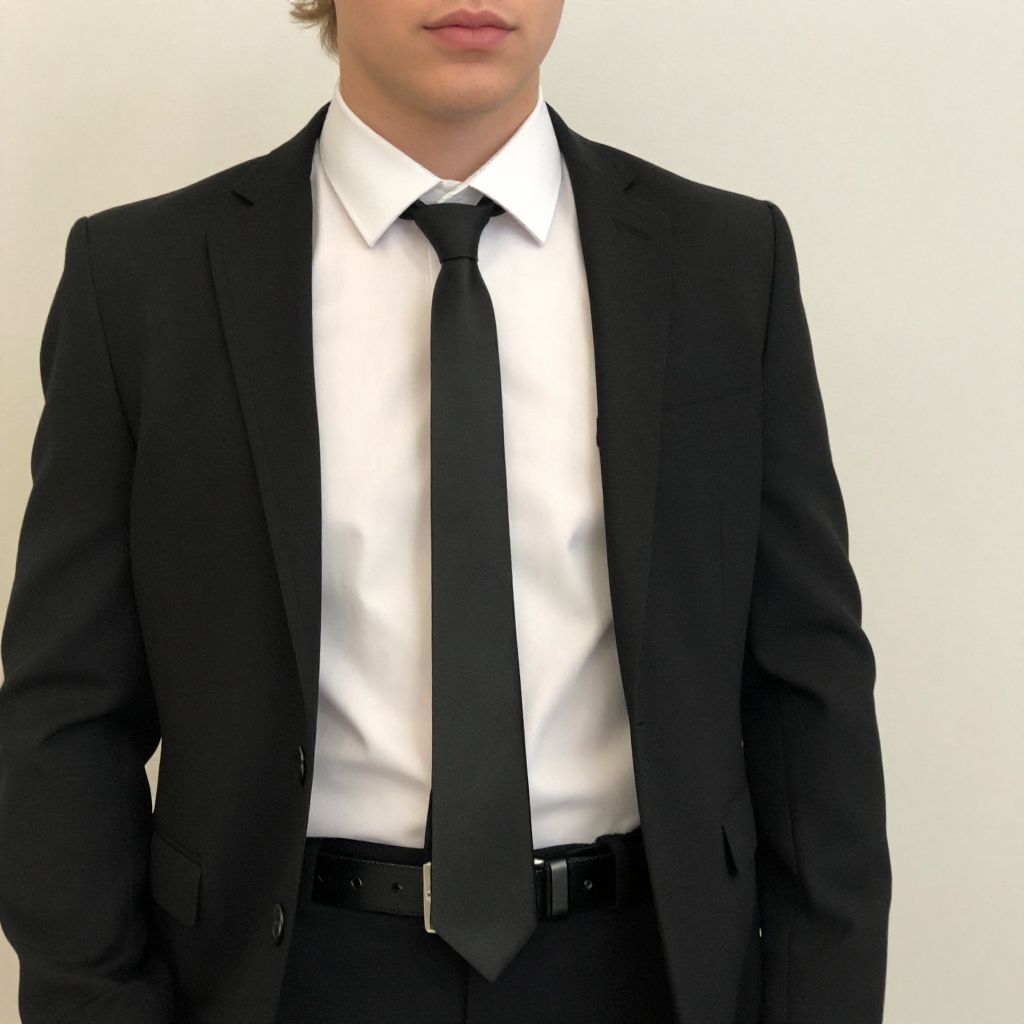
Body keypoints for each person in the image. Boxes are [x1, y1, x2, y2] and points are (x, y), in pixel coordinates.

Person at [0, 1, 892, 1022]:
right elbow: (67, 713)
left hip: (642, 969)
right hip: (288, 976)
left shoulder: (724, 263)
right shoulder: (145, 282)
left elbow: (809, 690)